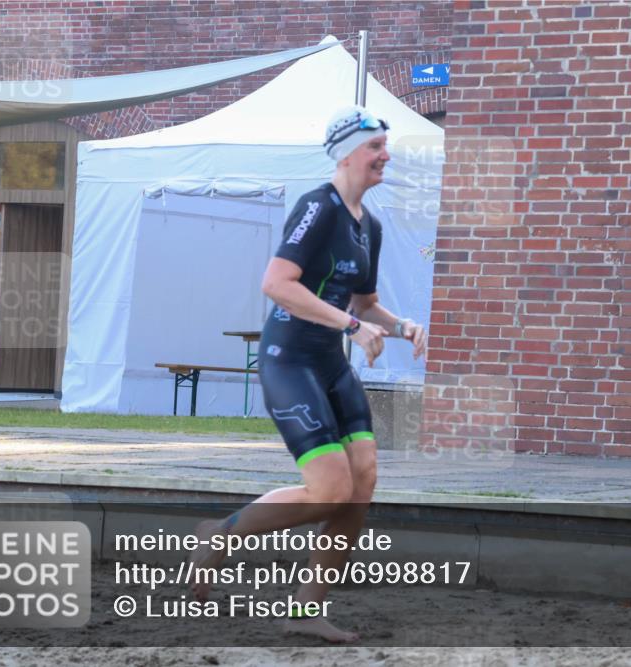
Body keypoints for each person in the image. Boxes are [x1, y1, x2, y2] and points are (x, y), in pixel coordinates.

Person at [188, 105, 427, 643]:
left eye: (385, 146)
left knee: (361, 482)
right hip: (290, 360)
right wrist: (348, 324)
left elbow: (364, 303)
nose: (385, 155)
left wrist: (401, 324)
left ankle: (307, 608)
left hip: (331, 364)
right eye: (375, 147)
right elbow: (276, 283)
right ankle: (220, 535)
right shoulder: (316, 208)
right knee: (328, 492)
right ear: (346, 154)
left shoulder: (372, 227)